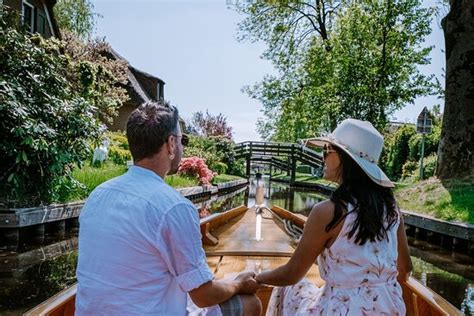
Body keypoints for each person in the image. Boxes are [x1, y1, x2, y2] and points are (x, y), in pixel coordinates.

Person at [76, 101, 262, 315]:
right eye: (182, 140)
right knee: (251, 304)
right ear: (171, 144)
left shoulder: (98, 194)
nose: (183, 147)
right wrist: (239, 283)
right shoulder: (174, 207)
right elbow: (203, 296)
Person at [255, 118, 413, 315]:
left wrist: (258, 278)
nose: (323, 158)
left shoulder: (327, 212)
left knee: (288, 288)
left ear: (345, 158)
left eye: (327, 150)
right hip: (390, 309)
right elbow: (405, 269)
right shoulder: (392, 210)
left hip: (342, 311)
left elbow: (291, 274)